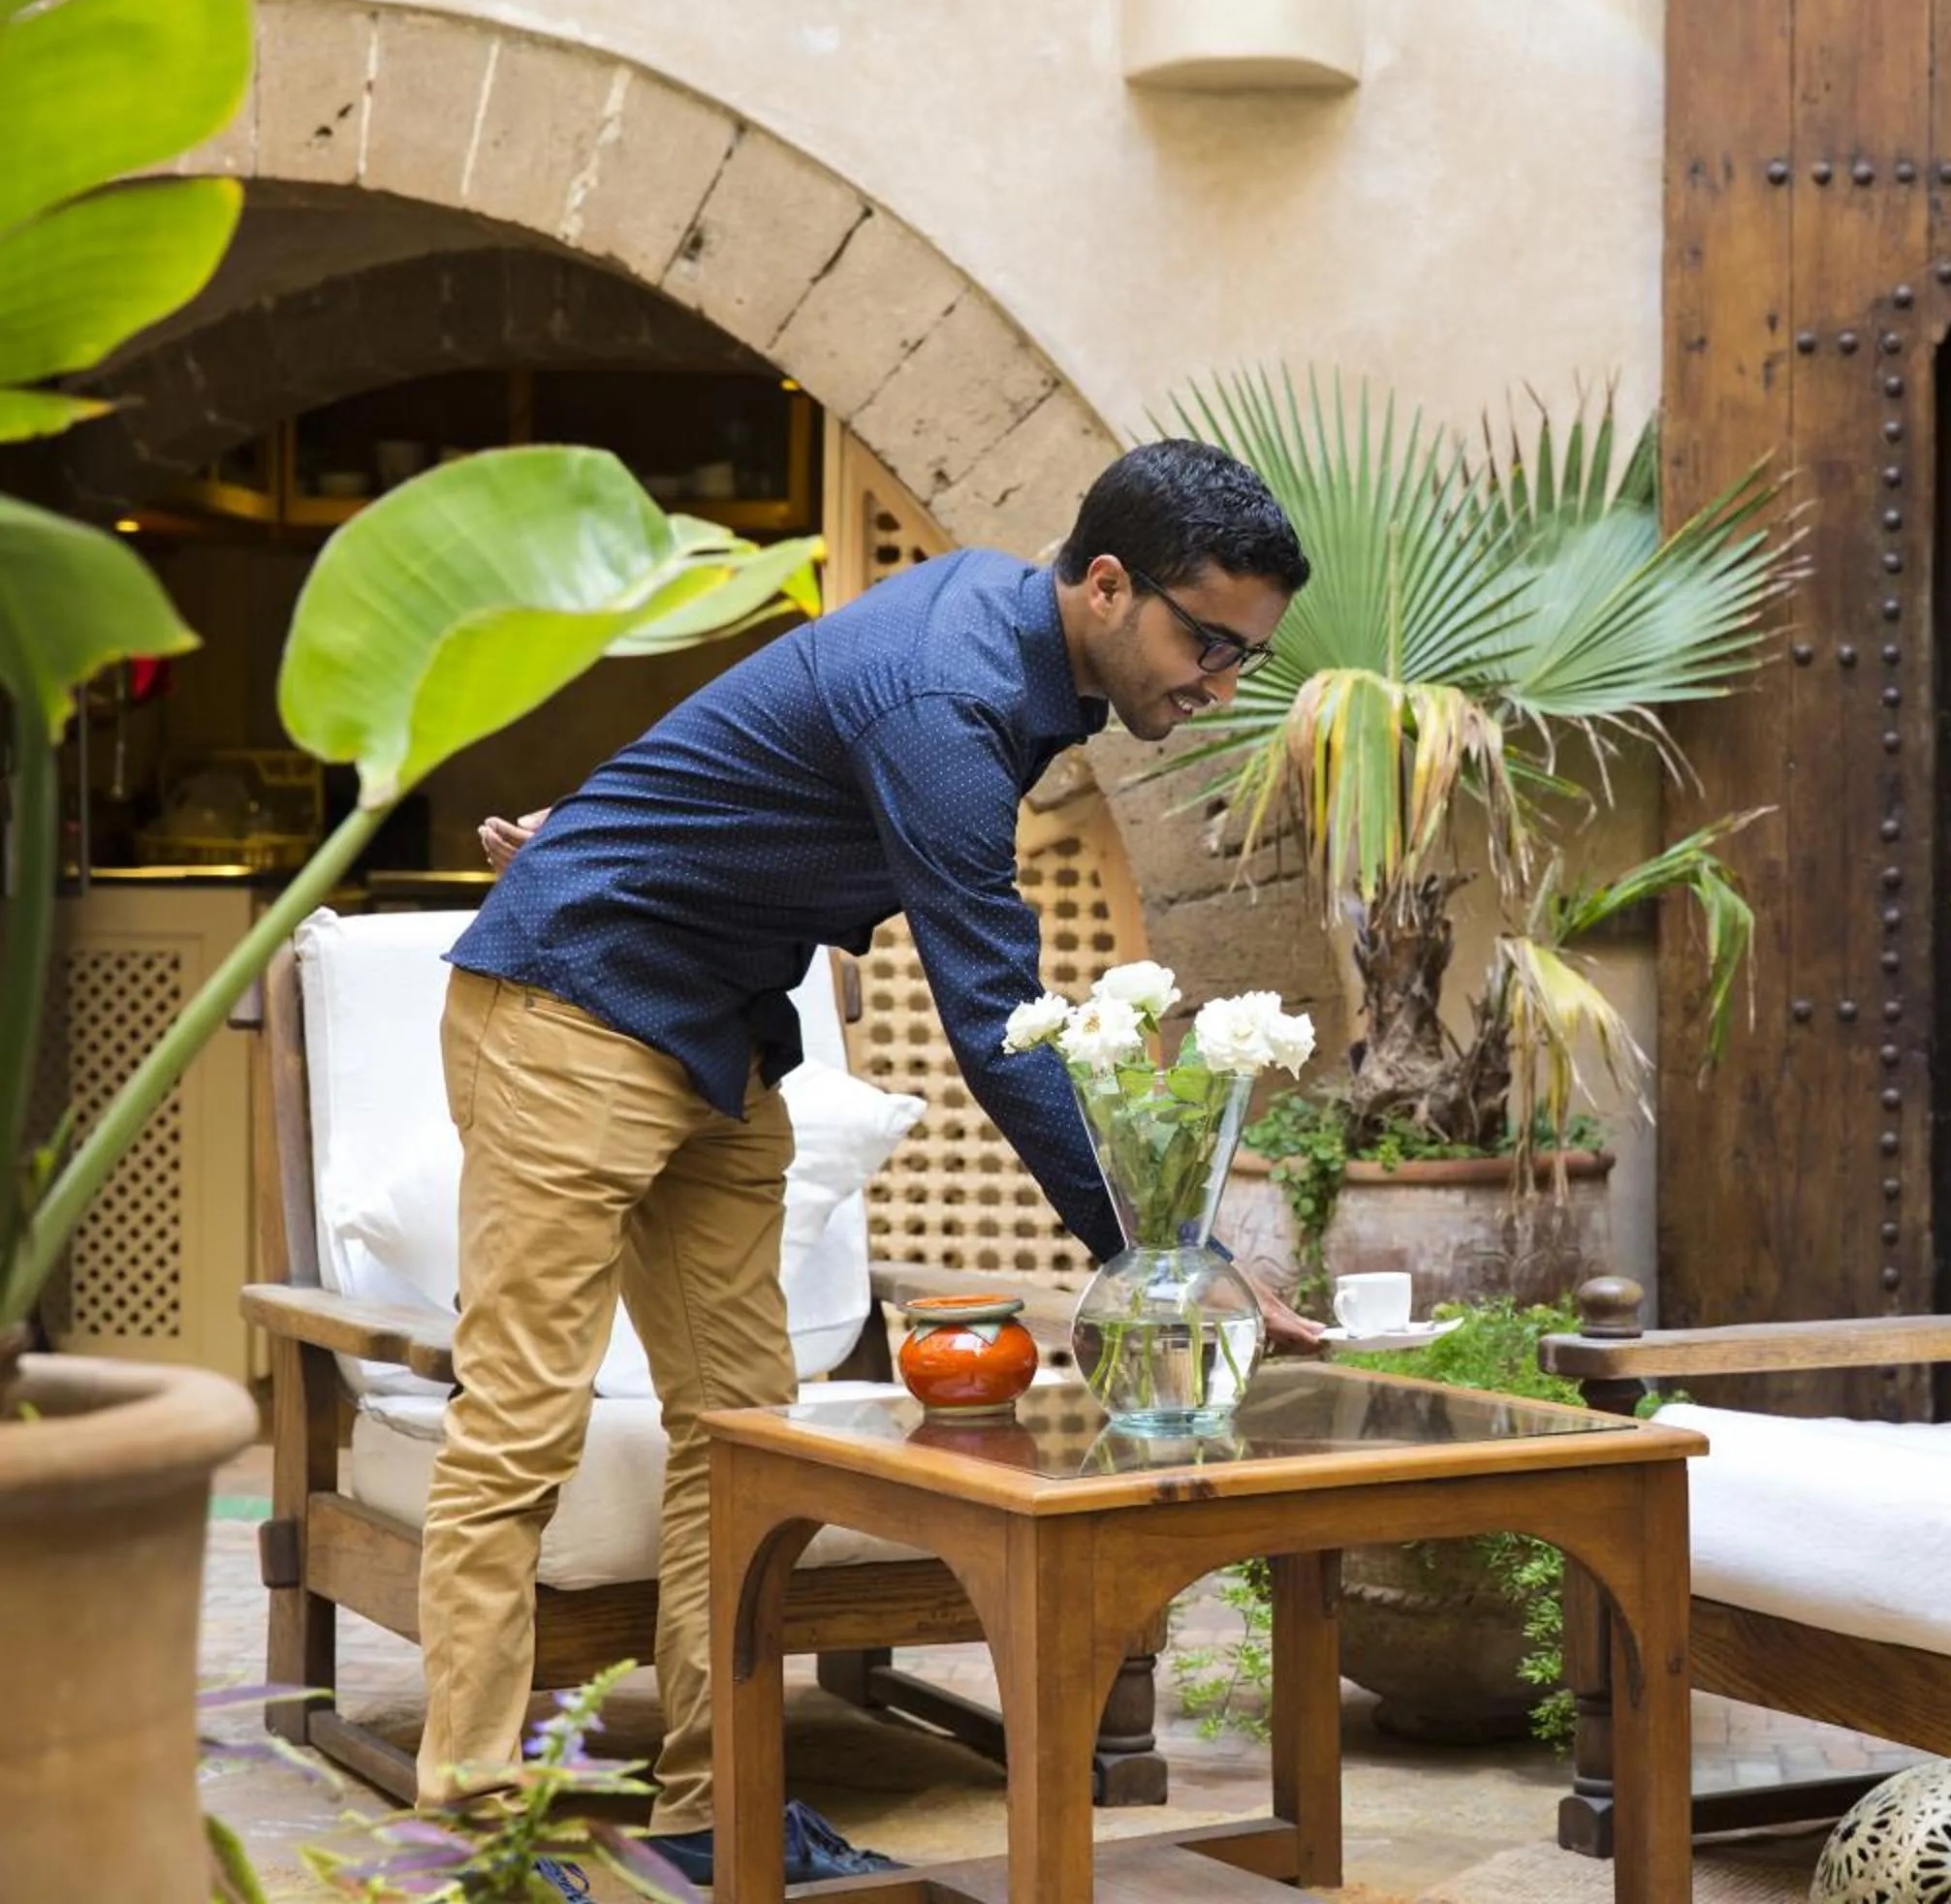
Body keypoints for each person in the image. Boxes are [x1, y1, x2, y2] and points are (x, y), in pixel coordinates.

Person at [425, 440, 1315, 1890]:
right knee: (522, 1427)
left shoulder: (1004, 642)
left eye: (1244, 658)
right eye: (1207, 641)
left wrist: (587, 820)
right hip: (573, 1009)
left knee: (742, 1440)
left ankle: (721, 1813)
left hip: (719, 1035)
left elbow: (747, 744)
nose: (1220, 682)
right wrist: (1159, 1253)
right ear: (1104, 584)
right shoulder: (951, 695)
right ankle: (473, 1841)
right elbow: (996, 1016)